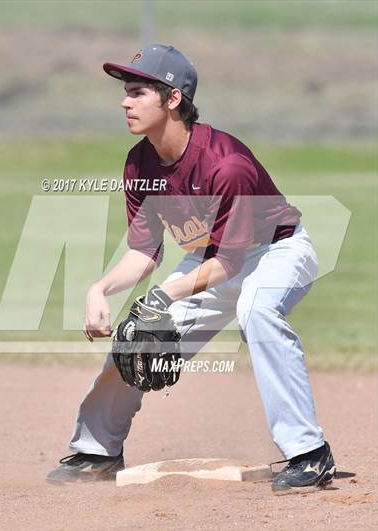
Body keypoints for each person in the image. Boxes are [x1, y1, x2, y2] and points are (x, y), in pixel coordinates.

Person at [46, 44, 336, 493]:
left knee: (257, 313)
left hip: (276, 252)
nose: (125, 102)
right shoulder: (140, 161)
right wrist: (99, 289)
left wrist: (162, 296)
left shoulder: (227, 164)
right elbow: (144, 250)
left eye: (139, 92)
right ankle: (96, 451)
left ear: (173, 99)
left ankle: (309, 454)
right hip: (206, 258)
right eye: (126, 92)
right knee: (137, 340)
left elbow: (231, 262)